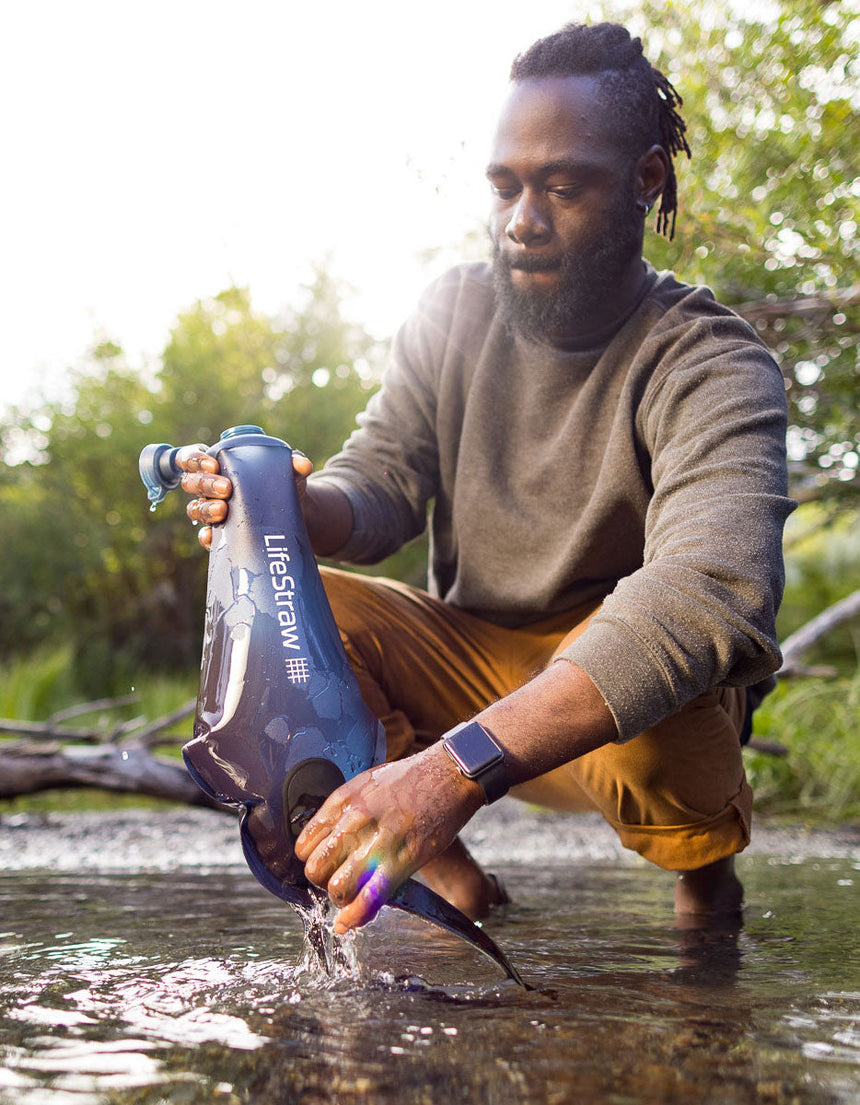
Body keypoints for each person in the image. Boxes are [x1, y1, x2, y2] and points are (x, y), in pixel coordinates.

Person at [179, 22, 794, 936]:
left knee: (669, 675)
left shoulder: (710, 362)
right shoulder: (451, 309)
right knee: (304, 602)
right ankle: (458, 886)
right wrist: (286, 509)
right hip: (469, 659)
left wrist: (448, 772)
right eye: (505, 186)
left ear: (645, 180)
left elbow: (711, 595)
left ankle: (707, 892)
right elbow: (380, 480)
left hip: (619, 706)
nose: (523, 219)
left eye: (562, 185)